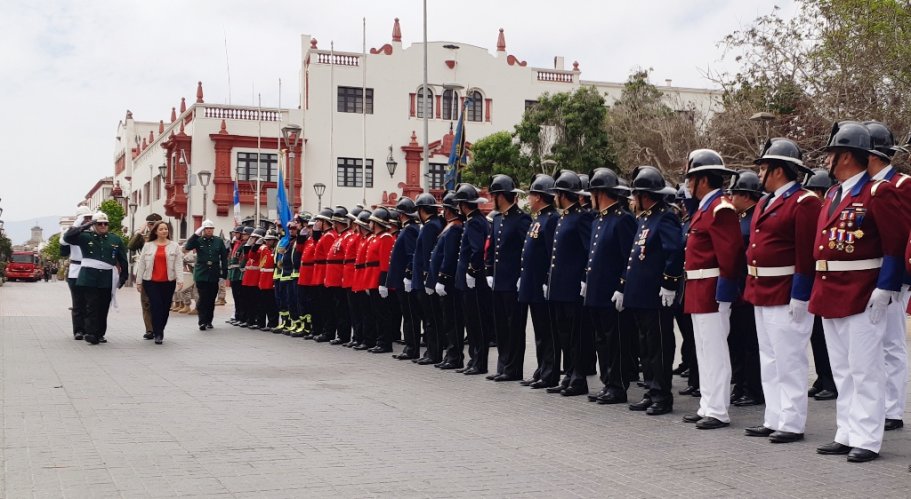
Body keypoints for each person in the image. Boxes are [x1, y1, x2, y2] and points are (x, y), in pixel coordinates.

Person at [811, 121, 905, 463]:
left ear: (847, 156)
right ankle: (847, 431)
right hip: (830, 289)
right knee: (843, 370)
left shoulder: (878, 192)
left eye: (832, 154)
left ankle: (867, 437)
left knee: (865, 368)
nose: (827, 161)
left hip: (863, 290)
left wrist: (887, 286)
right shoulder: (835, 193)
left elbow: (895, 243)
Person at [741, 138, 820, 444]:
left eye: (763, 167)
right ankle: (774, 416)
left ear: (779, 170)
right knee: (770, 358)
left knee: (790, 360)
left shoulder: (805, 202)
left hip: (787, 290)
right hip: (762, 288)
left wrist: (801, 295)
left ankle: (792, 421)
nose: (759, 173)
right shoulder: (766, 201)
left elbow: (805, 253)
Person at [680, 149, 744, 430]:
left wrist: (725, 295)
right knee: (703, 350)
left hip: (712, 288)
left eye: (691, 179)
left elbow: (730, 257)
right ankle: (707, 403)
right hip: (699, 286)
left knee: (715, 351)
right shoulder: (705, 208)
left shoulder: (720, 208)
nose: (688, 185)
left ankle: (718, 410)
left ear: (703, 180)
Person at [616, 166, 682, 414]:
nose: (633, 200)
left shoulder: (665, 216)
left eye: (636, 195)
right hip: (640, 295)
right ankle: (651, 390)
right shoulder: (643, 218)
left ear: (646, 195)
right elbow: (634, 257)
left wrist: (669, 282)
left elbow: (674, 251)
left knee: (659, 347)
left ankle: (662, 395)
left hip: (656, 295)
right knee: (645, 347)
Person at [864, 121, 909, 433]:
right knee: (874, 345)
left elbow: (900, 235)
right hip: (870, 273)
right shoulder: (864, 186)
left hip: (894, 274)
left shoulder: (902, 184)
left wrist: (893, 280)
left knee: (892, 343)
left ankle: (893, 408)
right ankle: (878, 404)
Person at [544, 170, 593, 396]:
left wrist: (584, 279)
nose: (554, 197)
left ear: (563, 194)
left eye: (557, 193)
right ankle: (569, 373)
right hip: (559, 287)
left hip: (573, 287)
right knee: (563, 335)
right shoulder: (564, 217)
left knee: (575, 336)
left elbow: (587, 251)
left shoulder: (581, 217)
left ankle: (579, 377)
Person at [483, 175, 532, 381]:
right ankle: (503, 365)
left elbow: (526, 251)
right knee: (501, 325)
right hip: (498, 281)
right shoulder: (497, 219)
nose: (492, 199)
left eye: (494, 195)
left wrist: (523, 275)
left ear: (501, 196)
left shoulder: (522, 219)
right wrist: (488, 272)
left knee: (514, 327)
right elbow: (492, 247)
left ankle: (513, 369)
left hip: (513, 281)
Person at [518, 174, 559, 389]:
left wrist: (546, 279)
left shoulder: (551, 219)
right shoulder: (538, 218)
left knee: (547, 331)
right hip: (532, 284)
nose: (529, 199)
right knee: (540, 331)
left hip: (542, 284)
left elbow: (552, 252)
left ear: (540, 197)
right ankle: (541, 368)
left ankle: (550, 372)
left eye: (532, 195)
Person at [727, 171, 764, 407]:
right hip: (738, 290)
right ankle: (740, 384)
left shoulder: (751, 222)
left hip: (746, 288)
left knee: (750, 343)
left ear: (746, 195)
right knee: (737, 342)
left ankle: (752, 388)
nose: (731, 198)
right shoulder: (741, 219)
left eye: (734, 194)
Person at [63, 212, 129, 345]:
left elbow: (122, 259)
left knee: (103, 306)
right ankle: (91, 333)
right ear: (94, 225)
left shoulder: (115, 239)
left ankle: (100, 333)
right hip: (89, 276)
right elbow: (67, 237)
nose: (103, 226)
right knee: (91, 305)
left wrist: (123, 276)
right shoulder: (85, 237)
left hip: (106, 277)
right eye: (99, 223)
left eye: (105, 223)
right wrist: (86, 225)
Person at [802, 169, 838, 402]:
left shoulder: (828, 212)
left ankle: (831, 380)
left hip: (828, 279)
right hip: (816, 279)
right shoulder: (819, 211)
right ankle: (823, 376)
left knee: (826, 336)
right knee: (816, 335)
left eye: (815, 191)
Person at [453, 183, 493, 375]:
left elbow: (477, 250)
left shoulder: (475, 222)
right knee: (471, 322)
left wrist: (472, 270)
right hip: (470, 279)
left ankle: (479, 361)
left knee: (477, 322)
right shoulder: (474, 220)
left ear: (463, 205)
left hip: (474, 280)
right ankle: (474, 359)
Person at [134, 221, 184, 344]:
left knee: (166, 307)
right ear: (156, 231)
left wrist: (180, 279)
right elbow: (142, 264)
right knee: (156, 306)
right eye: (161, 229)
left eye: (166, 229)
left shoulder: (174, 246)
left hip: (168, 281)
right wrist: (139, 281)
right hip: (151, 281)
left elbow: (178, 263)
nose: (164, 231)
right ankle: (158, 333)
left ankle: (160, 328)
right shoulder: (148, 245)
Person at [431, 192, 466, 369]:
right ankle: (451, 353)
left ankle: (455, 355)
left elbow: (449, 256)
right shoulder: (450, 226)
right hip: (446, 280)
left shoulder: (455, 228)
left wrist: (443, 278)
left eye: (445, 208)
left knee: (452, 319)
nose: (443, 212)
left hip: (450, 281)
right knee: (448, 319)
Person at [387, 197, 422, 360]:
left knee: (410, 315)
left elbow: (410, 255)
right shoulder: (408, 229)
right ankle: (410, 346)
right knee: (407, 315)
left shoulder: (410, 230)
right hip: (402, 279)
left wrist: (408, 274)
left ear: (402, 215)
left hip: (405, 279)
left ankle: (412, 348)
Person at [412, 194, 445, 365]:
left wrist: (427, 279)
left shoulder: (430, 226)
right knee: (430, 319)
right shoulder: (432, 225)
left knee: (431, 319)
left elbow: (427, 256)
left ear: (421, 209)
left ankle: (434, 352)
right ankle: (431, 351)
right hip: (426, 279)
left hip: (426, 279)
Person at [362, 208, 396, 353]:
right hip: (372, 277)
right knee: (376, 312)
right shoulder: (376, 237)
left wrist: (383, 283)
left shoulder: (386, 238)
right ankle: (379, 340)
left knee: (383, 314)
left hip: (379, 278)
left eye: (371, 221)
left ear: (376, 222)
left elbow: (384, 263)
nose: (368, 223)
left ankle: (385, 343)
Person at [184, 219, 228, 331]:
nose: (209, 231)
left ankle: (209, 321)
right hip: (201, 273)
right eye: (207, 229)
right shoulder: (198, 240)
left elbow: (223, 257)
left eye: (211, 229)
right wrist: (195, 234)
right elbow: (188, 246)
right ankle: (202, 321)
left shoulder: (218, 241)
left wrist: (224, 272)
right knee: (203, 298)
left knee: (211, 298)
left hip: (213, 272)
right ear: (203, 230)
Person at [128, 213, 164, 339]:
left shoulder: (165, 236)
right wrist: (140, 232)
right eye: (151, 224)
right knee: (146, 303)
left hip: (162, 274)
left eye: (157, 224)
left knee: (159, 303)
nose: (154, 226)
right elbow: (131, 246)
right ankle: (150, 330)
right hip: (145, 274)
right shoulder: (143, 238)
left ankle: (158, 328)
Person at [60, 205, 93, 340]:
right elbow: (64, 241)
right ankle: (78, 330)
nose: (88, 220)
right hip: (76, 270)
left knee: (90, 302)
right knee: (78, 302)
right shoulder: (72, 233)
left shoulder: (92, 232)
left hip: (90, 269)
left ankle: (89, 329)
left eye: (90, 218)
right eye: (86, 218)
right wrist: (79, 224)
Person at [256, 230, 280, 331]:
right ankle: (261, 323)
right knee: (262, 304)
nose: (268, 242)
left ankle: (272, 323)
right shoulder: (263, 248)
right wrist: (254, 245)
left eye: (270, 240)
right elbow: (253, 256)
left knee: (272, 305)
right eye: (267, 240)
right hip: (263, 279)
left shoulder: (277, 250)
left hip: (271, 280)